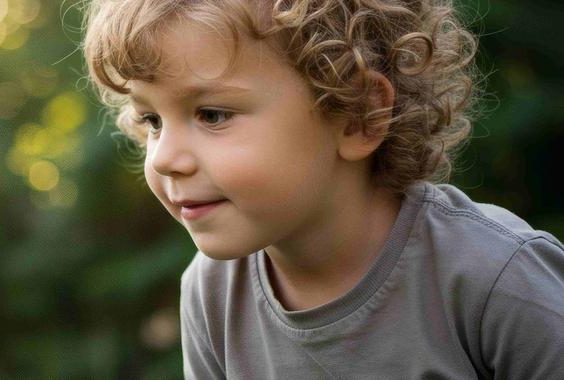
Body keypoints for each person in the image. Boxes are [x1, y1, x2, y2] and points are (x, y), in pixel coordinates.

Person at [81, 0, 564, 378]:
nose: (163, 158)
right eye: (152, 119)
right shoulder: (211, 294)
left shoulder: (496, 279)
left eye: (212, 114)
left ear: (358, 115)